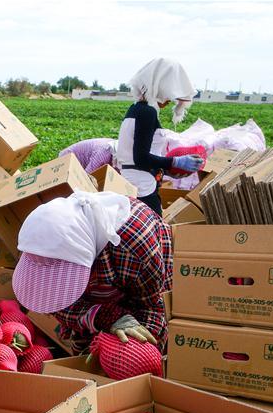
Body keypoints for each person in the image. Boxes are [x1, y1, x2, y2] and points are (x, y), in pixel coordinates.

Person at [11, 191, 172, 355]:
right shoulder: (41, 243)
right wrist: (103, 316)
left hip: (142, 283)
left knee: (136, 353)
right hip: (104, 291)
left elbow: (153, 306)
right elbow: (50, 299)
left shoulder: (136, 249)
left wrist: (137, 351)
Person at [115, 58, 204, 216]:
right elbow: (140, 158)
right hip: (142, 188)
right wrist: (175, 162)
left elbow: (135, 155)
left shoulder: (135, 109)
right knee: (157, 234)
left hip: (133, 182)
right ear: (159, 86)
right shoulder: (147, 113)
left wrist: (166, 169)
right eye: (169, 94)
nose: (170, 100)